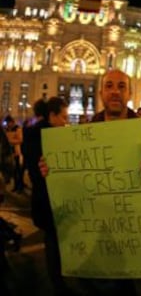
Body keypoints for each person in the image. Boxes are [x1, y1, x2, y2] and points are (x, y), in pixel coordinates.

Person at [40, 69, 141, 295]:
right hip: (103, 236)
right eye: (109, 86)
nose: (115, 92)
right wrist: (52, 170)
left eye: (121, 86)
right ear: (100, 93)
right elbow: (74, 178)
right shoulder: (85, 133)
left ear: (129, 93)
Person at [24, 96, 72, 296]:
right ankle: (58, 285)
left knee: (55, 241)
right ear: (52, 115)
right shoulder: (45, 138)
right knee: (53, 244)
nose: (65, 122)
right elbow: (38, 172)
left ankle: (59, 280)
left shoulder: (36, 134)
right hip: (48, 200)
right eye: (63, 117)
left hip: (47, 200)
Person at [4, 115, 24, 193]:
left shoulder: (17, 128)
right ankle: (15, 186)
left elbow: (20, 140)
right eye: (7, 123)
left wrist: (10, 141)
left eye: (9, 123)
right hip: (9, 152)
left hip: (16, 152)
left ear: (12, 122)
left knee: (18, 171)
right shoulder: (6, 129)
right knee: (13, 171)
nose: (8, 124)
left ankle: (20, 187)